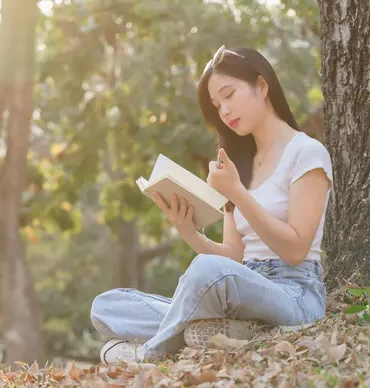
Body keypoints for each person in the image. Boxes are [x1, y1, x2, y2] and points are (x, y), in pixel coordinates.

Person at [90, 46, 333, 364]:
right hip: (243, 284)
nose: (225, 111)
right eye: (217, 106)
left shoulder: (307, 153)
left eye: (229, 95)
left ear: (262, 86)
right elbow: (235, 255)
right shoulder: (238, 164)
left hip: (296, 293)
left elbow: (295, 250)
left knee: (209, 271)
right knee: (108, 305)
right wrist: (188, 231)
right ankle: (234, 329)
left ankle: (150, 354)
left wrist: (238, 194)